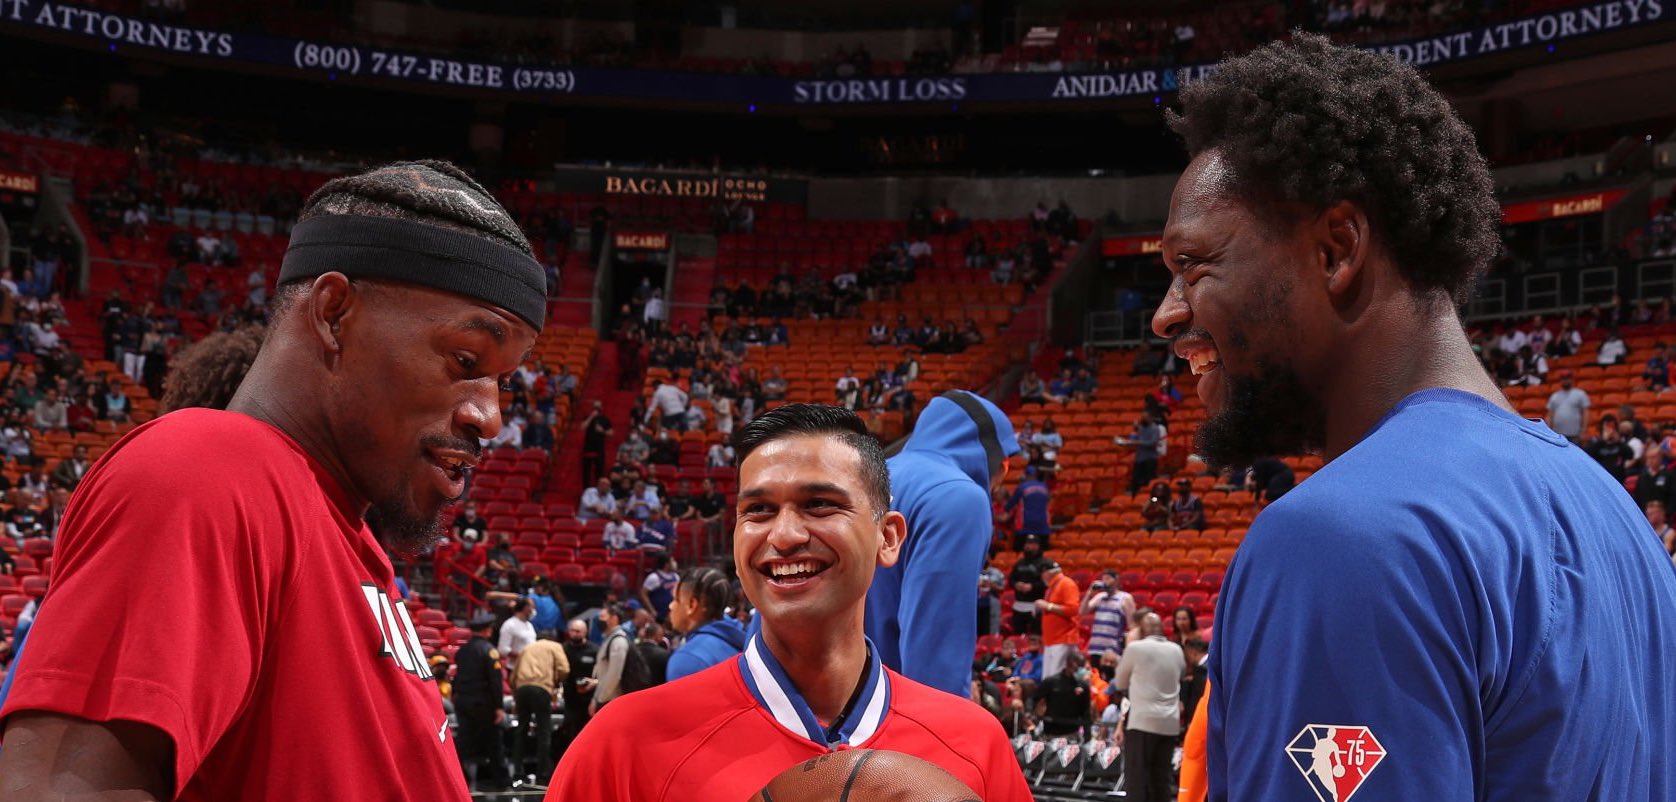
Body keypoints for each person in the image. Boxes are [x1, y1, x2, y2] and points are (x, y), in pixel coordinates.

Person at [1156, 36, 1676, 802]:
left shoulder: (1342, 537)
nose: (1168, 315)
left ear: (1338, 249)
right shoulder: (1619, 520)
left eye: (1192, 264)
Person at [0, 161, 546, 801]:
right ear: (335, 312)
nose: (491, 416)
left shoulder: (340, 534)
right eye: (466, 361)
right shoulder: (208, 468)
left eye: (503, 381)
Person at [545, 404, 1031, 800]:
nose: (785, 535)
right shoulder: (623, 742)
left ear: (888, 537)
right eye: (757, 510)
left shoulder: (976, 744)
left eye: (820, 504)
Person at [865, 389, 1020, 698]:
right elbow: (934, 643)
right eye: (1005, 468)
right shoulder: (957, 495)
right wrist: (944, 727)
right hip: (880, 721)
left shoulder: (861, 474)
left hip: (802, 710)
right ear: (990, 456)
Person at [1114, 612, 1184, 802]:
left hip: (1143, 723)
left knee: (1138, 780)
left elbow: (1120, 682)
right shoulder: (1176, 649)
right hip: (1170, 724)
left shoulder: (1135, 648)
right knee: (1161, 780)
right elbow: (1182, 676)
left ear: (1142, 630)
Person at [666, 566, 749, 681]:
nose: (670, 606)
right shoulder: (745, 637)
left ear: (691, 605)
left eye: (675, 599)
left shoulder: (687, 660)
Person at [510, 629, 569, 785]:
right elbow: (565, 669)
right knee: (544, 731)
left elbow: (513, 676)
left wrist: (516, 693)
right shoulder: (555, 646)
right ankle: (542, 773)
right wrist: (555, 681)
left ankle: (517, 772)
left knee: (521, 730)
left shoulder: (527, 648)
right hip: (541, 688)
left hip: (522, 689)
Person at [1035, 558, 1082, 679]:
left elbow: (1073, 609)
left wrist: (1048, 606)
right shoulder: (1052, 587)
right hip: (1051, 640)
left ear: (1047, 573)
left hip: (1063, 638)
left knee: (1056, 679)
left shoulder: (1066, 583)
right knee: (1047, 679)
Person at [557, 619, 598, 757]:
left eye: (578, 631)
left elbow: (601, 673)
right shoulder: (563, 649)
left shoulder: (594, 650)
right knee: (569, 736)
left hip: (589, 701)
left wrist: (595, 681)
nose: (575, 634)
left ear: (585, 632)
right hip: (570, 700)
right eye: (572, 631)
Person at [1033, 649, 1092, 737]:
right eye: (1076, 664)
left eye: (1081, 665)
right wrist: (1032, 714)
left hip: (1072, 731)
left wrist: (1087, 733)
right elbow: (1034, 698)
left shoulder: (1083, 686)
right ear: (1068, 664)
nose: (1078, 668)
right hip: (1051, 730)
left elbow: (1086, 711)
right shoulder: (1051, 682)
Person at [1004, 465, 1052, 550]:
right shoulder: (1044, 486)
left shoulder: (1022, 487)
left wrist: (1006, 508)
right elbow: (1048, 500)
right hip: (1042, 522)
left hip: (1026, 522)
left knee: (1020, 549)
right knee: (1042, 549)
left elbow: (1012, 503)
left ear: (1026, 475)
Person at [1545, 370, 1590, 443]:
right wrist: (1548, 431)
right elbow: (1549, 415)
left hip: (1575, 435)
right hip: (1558, 435)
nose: (1565, 380)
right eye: (1563, 378)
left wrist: (1584, 430)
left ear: (1572, 379)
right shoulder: (1554, 396)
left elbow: (1585, 413)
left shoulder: (1580, 394)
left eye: (1567, 378)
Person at [498, 598, 538, 673]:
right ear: (525, 608)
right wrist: (523, 656)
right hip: (515, 669)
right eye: (532, 607)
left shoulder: (529, 625)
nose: (533, 610)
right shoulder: (509, 625)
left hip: (530, 668)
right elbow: (503, 649)